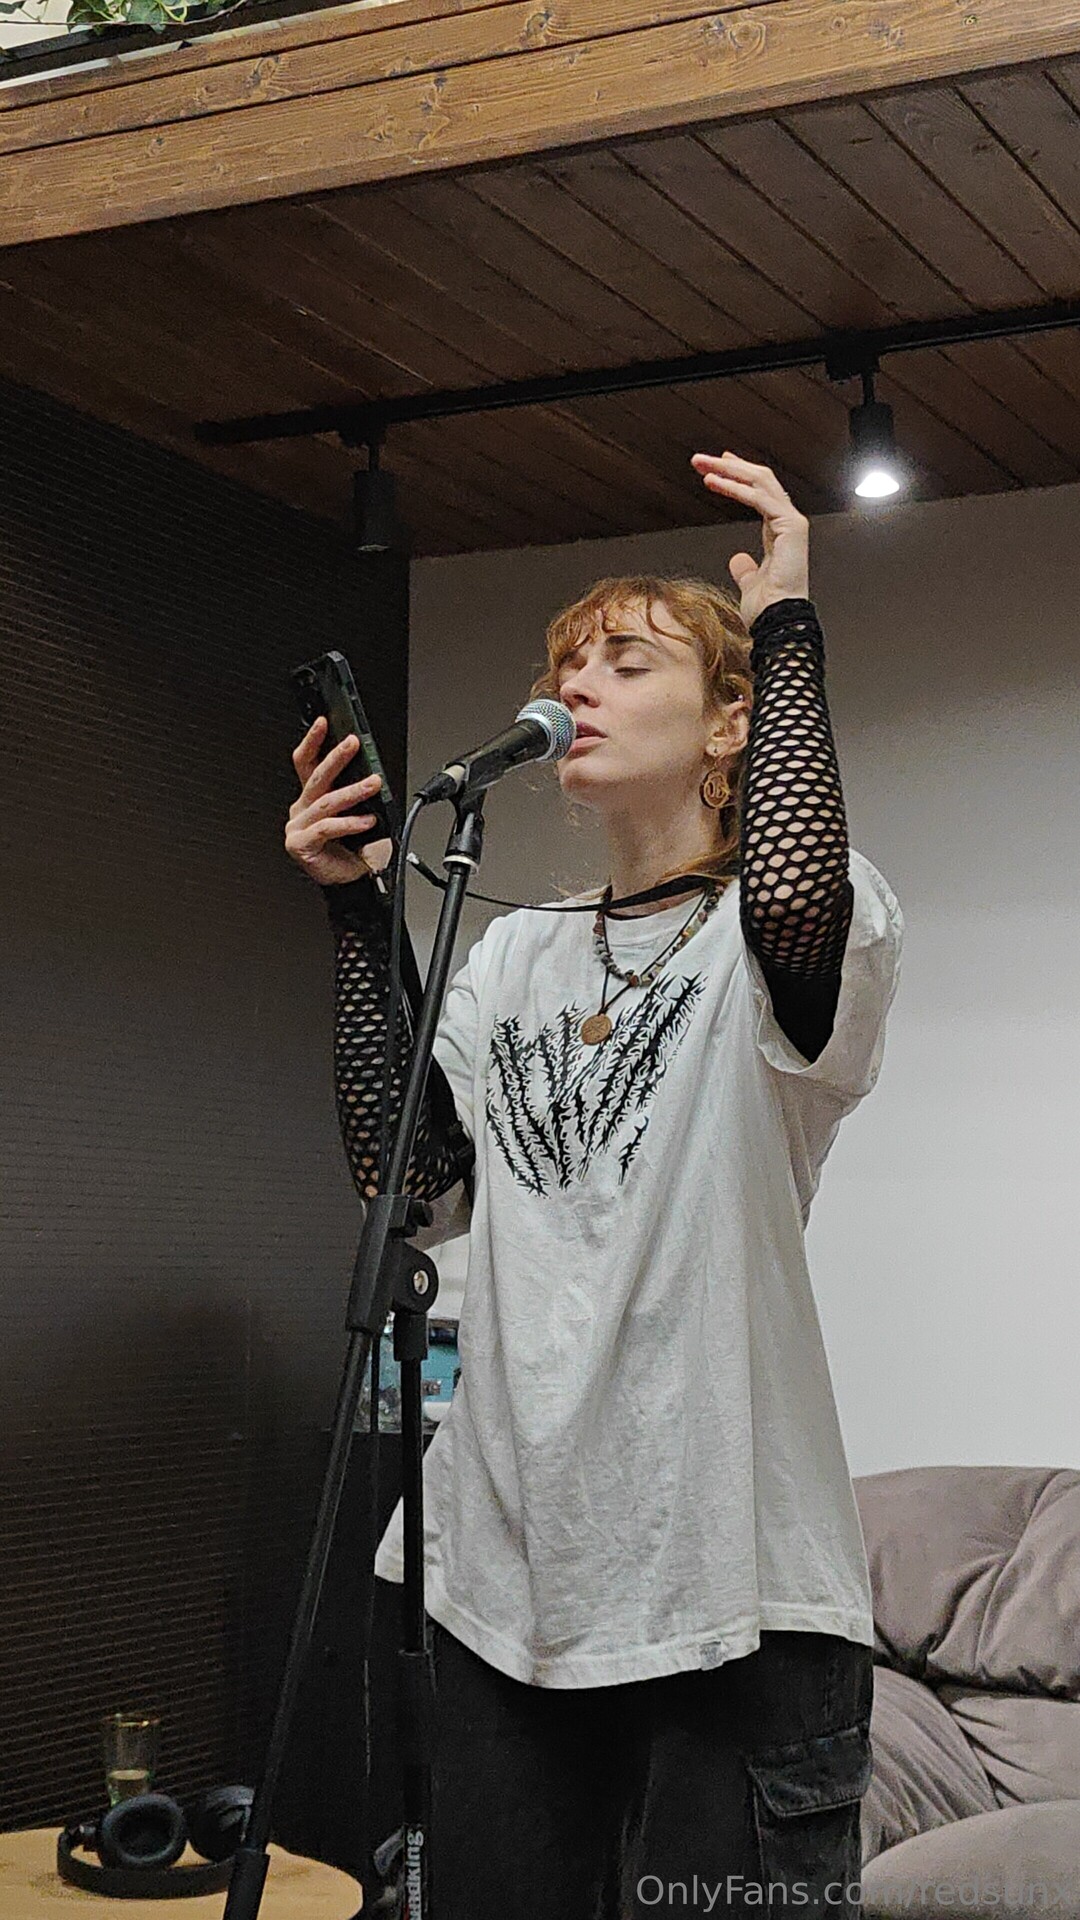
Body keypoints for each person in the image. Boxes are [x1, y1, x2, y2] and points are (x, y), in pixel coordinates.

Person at [285, 451, 904, 1918]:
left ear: (730, 722)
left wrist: (787, 626)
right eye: (570, 665)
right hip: (502, 1584)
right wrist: (355, 909)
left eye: (630, 663)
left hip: (734, 1591)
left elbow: (791, 887)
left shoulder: (794, 926)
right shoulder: (515, 952)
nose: (580, 686)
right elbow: (406, 1170)